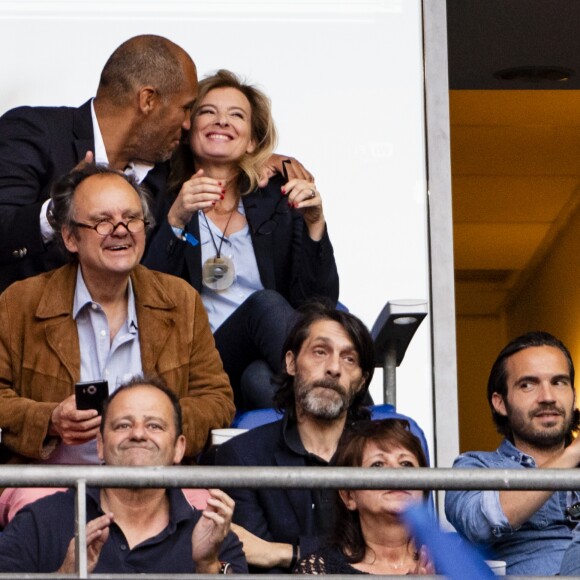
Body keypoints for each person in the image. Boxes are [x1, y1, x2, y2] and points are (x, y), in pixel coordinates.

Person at [0, 164, 234, 524]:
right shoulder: (20, 302)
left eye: (131, 219)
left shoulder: (180, 299)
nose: (121, 231)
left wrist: (155, 424)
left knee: (209, 518)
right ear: (70, 238)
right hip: (53, 478)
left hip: (155, 477)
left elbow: (217, 400)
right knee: (41, 522)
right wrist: (48, 420)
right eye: (103, 221)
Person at [144, 70, 339, 409]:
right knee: (263, 304)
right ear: (189, 129)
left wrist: (315, 224)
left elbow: (318, 303)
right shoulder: (160, 195)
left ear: (251, 141)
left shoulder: (277, 198)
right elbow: (145, 295)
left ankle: (329, 447)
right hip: (199, 360)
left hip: (260, 360)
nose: (222, 122)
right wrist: (176, 218)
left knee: (260, 381)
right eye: (208, 112)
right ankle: (357, 421)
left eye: (236, 115)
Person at [0, 34, 198, 292]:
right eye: (185, 108)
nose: (188, 124)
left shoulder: (164, 174)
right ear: (148, 100)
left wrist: (263, 161)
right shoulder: (35, 130)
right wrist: (57, 211)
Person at [0, 376, 247, 574]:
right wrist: (64, 575)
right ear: (100, 444)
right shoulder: (41, 520)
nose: (138, 434)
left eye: (154, 425)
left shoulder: (213, 536)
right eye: (123, 425)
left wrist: (207, 567)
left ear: (179, 448)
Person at [214, 302, 374, 572]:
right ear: (290, 362)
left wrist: (285, 552)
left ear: (360, 382)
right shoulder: (241, 458)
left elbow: (388, 554)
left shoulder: (384, 457)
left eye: (349, 359)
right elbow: (256, 568)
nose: (334, 368)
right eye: (320, 352)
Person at [445, 331, 580, 576]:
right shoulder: (476, 466)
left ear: (573, 395)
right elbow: (479, 524)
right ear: (500, 403)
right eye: (528, 384)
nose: (548, 397)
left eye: (559, 382)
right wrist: (573, 454)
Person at [294, 419, 434, 575]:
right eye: (378, 464)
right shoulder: (320, 570)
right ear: (349, 496)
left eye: (406, 464)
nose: (397, 472)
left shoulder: (454, 559)